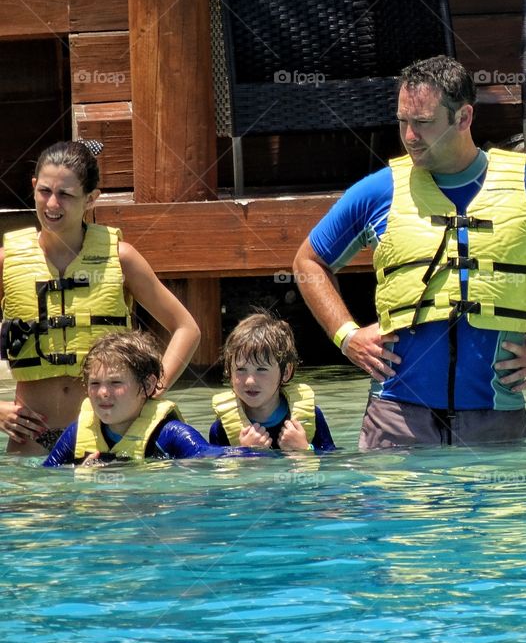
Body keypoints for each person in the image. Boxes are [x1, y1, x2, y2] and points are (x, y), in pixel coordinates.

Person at [293, 55, 526, 449]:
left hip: (495, 423)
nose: (409, 135)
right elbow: (309, 261)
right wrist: (346, 335)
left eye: (422, 122)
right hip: (397, 422)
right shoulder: (379, 191)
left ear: (464, 118)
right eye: (402, 121)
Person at [0, 140, 201, 456]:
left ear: (91, 199)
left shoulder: (121, 258)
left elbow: (186, 328)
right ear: (34, 186)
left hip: (108, 440)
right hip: (32, 442)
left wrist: (153, 388)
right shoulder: (5, 261)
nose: (52, 204)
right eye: (45, 192)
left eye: (65, 194)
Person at [44, 331, 235, 466]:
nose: (102, 392)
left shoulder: (171, 435)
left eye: (115, 383)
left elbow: (213, 461)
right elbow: (46, 477)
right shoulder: (77, 433)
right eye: (94, 383)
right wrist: (80, 475)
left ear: (148, 386)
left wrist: (253, 450)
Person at [208, 311, 335, 453]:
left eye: (261, 369)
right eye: (241, 370)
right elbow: (219, 472)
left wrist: (304, 449)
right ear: (229, 372)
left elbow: (331, 464)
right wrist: (245, 454)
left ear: (286, 373)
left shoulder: (311, 417)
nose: (250, 381)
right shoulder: (220, 429)